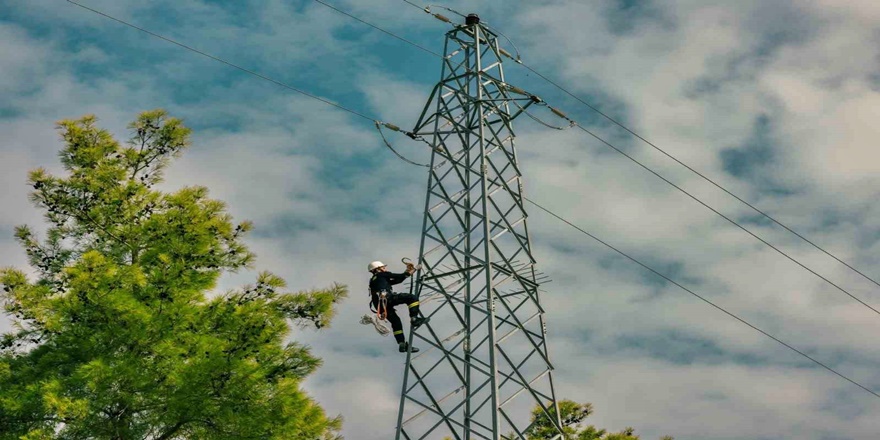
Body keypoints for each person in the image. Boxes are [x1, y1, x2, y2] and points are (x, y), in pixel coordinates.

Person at [368, 260, 429, 353]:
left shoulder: (374, 280)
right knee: (412, 298)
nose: (385, 268)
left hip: (380, 306)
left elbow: (399, 279)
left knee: (396, 322)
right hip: (387, 298)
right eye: (383, 267)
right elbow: (401, 276)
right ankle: (414, 319)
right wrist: (415, 268)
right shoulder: (382, 275)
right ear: (378, 269)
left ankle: (402, 344)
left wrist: (407, 272)